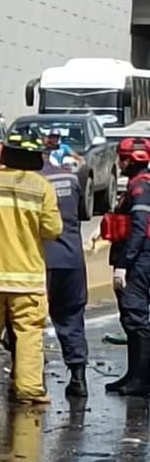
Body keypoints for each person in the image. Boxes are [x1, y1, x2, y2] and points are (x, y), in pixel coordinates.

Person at [0, 134, 62, 404]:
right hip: (27, 279)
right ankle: (28, 390)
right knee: (29, 333)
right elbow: (52, 230)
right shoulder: (42, 187)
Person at [105, 137, 150, 396]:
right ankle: (134, 375)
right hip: (138, 256)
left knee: (136, 318)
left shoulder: (140, 188)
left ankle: (141, 379)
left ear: (131, 161)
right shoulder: (138, 184)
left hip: (139, 259)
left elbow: (139, 228)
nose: (119, 163)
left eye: (122, 159)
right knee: (131, 318)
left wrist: (124, 264)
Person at [43, 151, 89, 398]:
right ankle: (78, 377)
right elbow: (82, 214)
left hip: (43, 260)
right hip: (72, 258)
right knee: (72, 318)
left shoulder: (31, 181)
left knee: (28, 321)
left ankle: (28, 378)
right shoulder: (70, 178)